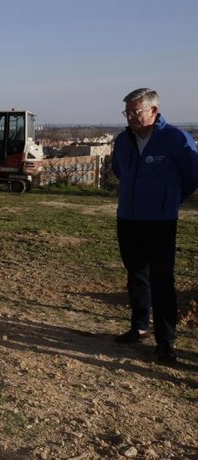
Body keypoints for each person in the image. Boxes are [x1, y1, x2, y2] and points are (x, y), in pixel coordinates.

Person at [112, 88, 198, 365]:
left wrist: (168, 199)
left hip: (160, 220)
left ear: (153, 110)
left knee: (162, 280)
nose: (130, 117)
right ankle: (139, 326)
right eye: (127, 112)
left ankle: (166, 341)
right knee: (136, 273)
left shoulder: (175, 139)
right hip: (128, 217)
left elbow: (191, 175)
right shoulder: (123, 140)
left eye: (135, 112)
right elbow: (119, 170)